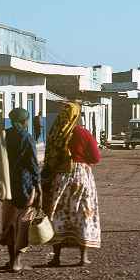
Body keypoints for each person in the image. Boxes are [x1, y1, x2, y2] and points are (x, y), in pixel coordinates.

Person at [42, 102, 102, 266]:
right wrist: (83, 160)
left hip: (60, 177)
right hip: (82, 177)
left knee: (58, 214)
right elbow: (96, 157)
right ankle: (83, 257)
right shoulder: (83, 133)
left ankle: (56, 257)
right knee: (83, 213)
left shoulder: (55, 134)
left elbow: (49, 160)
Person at [0, 108, 41, 272]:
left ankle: (11, 260)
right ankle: (17, 262)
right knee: (22, 223)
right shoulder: (26, 137)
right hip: (24, 186)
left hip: (7, 186)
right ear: (25, 121)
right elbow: (33, 165)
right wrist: (38, 188)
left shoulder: (1, 136)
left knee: (9, 221)